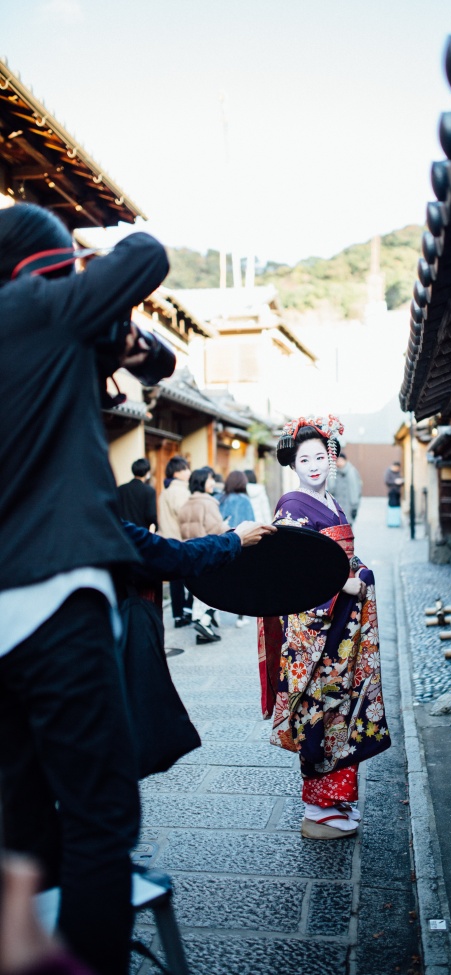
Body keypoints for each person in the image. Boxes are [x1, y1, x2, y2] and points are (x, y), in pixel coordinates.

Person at [0, 202, 169, 975]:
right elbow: (147, 253)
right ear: (45, 267)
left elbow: (153, 360)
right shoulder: (42, 306)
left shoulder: (43, 338)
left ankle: (24, 951)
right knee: (100, 816)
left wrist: (117, 337)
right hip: (55, 597)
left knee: (23, 817)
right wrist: (90, 268)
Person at [258, 415, 391, 839]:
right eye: (304, 459)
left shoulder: (331, 501)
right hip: (315, 631)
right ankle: (318, 807)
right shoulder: (292, 507)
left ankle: (338, 801)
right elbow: (293, 574)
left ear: (330, 459)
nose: (313, 465)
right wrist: (344, 584)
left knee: (341, 710)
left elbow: (343, 557)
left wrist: (360, 572)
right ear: (292, 464)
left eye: (319, 456)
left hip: (341, 628)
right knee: (319, 708)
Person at [178, 468, 225, 643]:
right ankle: (204, 621)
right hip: (208, 552)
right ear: (201, 482)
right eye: (210, 479)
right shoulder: (208, 503)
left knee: (199, 594)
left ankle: (202, 630)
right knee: (217, 591)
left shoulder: (185, 505)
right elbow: (216, 530)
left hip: (191, 553)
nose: (213, 483)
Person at [157, 456, 193, 626]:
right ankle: (186, 612)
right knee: (192, 577)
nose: (189, 472)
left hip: (168, 539)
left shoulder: (166, 491)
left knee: (176, 581)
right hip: (181, 540)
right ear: (178, 471)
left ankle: (178, 614)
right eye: (186, 469)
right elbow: (184, 515)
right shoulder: (180, 491)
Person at [220, 471, 256, 627]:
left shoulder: (222, 499)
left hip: (226, 541)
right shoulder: (245, 500)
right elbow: (251, 522)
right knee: (243, 579)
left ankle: (214, 612)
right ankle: (241, 616)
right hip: (244, 541)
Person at [117, 457, 157, 530]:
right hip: (141, 531)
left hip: (124, 531)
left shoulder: (121, 489)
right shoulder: (149, 491)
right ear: (147, 472)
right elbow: (151, 515)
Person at [330, 451, 363, 524]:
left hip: (349, 506)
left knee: (347, 527)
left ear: (345, 460)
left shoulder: (351, 472)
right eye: (336, 461)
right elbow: (331, 488)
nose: (338, 463)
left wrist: (354, 507)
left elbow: (355, 490)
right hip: (338, 505)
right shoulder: (334, 472)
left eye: (340, 460)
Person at [385, 460, 404, 528]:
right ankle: (391, 522)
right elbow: (387, 481)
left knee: (397, 507)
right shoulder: (389, 472)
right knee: (392, 506)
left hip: (397, 492)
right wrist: (395, 482)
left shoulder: (398, 472)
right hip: (392, 492)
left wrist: (401, 482)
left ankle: (396, 521)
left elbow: (401, 480)